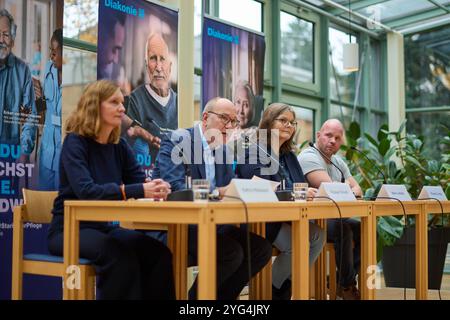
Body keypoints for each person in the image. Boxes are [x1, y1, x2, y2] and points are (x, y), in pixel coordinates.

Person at [47, 80, 176, 300]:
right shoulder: (75, 143)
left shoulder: (119, 146)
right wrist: (137, 190)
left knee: (159, 254)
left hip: (103, 230)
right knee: (121, 257)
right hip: (69, 231)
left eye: (122, 103)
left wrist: (156, 187)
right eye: (114, 102)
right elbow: (87, 191)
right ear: (94, 106)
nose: (123, 108)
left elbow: (138, 181)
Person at [153, 97, 272, 300]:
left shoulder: (223, 151)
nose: (230, 126)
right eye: (225, 118)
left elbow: (229, 190)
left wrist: (247, 190)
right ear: (205, 117)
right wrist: (218, 192)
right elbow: (175, 189)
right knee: (231, 252)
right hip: (176, 226)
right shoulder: (177, 141)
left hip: (210, 225)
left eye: (234, 122)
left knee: (260, 249)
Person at [237, 102, 326, 300]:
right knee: (299, 243)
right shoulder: (253, 151)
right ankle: (272, 292)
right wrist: (296, 192)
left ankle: (283, 286)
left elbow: (300, 185)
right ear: (268, 123)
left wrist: (304, 192)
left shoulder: (289, 156)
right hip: (261, 219)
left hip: (288, 217)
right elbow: (259, 188)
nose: (289, 125)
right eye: (283, 120)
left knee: (318, 235)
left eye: (292, 122)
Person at [297, 118, 362, 300]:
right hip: (312, 219)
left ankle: (341, 281)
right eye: (328, 135)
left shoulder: (338, 162)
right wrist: (346, 189)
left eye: (338, 138)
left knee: (367, 230)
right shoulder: (308, 156)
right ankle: (347, 286)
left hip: (334, 216)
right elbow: (332, 189)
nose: (333, 141)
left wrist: (346, 189)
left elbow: (358, 190)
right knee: (345, 230)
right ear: (318, 136)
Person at [126, 33, 177, 173]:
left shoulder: (179, 103)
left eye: (163, 59)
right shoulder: (135, 100)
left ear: (170, 66)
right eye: (153, 59)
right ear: (146, 64)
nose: (158, 67)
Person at [0, 8, 36, 155]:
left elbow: (30, 115)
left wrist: (24, 150)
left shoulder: (23, 70)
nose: (1, 40)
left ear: (13, 41)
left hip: (10, 151)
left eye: (6, 35)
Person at [38, 29, 62, 191]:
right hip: (47, 151)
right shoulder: (48, 69)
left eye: (55, 52)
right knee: (42, 207)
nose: (51, 56)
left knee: (60, 208)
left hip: (63, 156)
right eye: (50, 52)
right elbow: (44, 105)